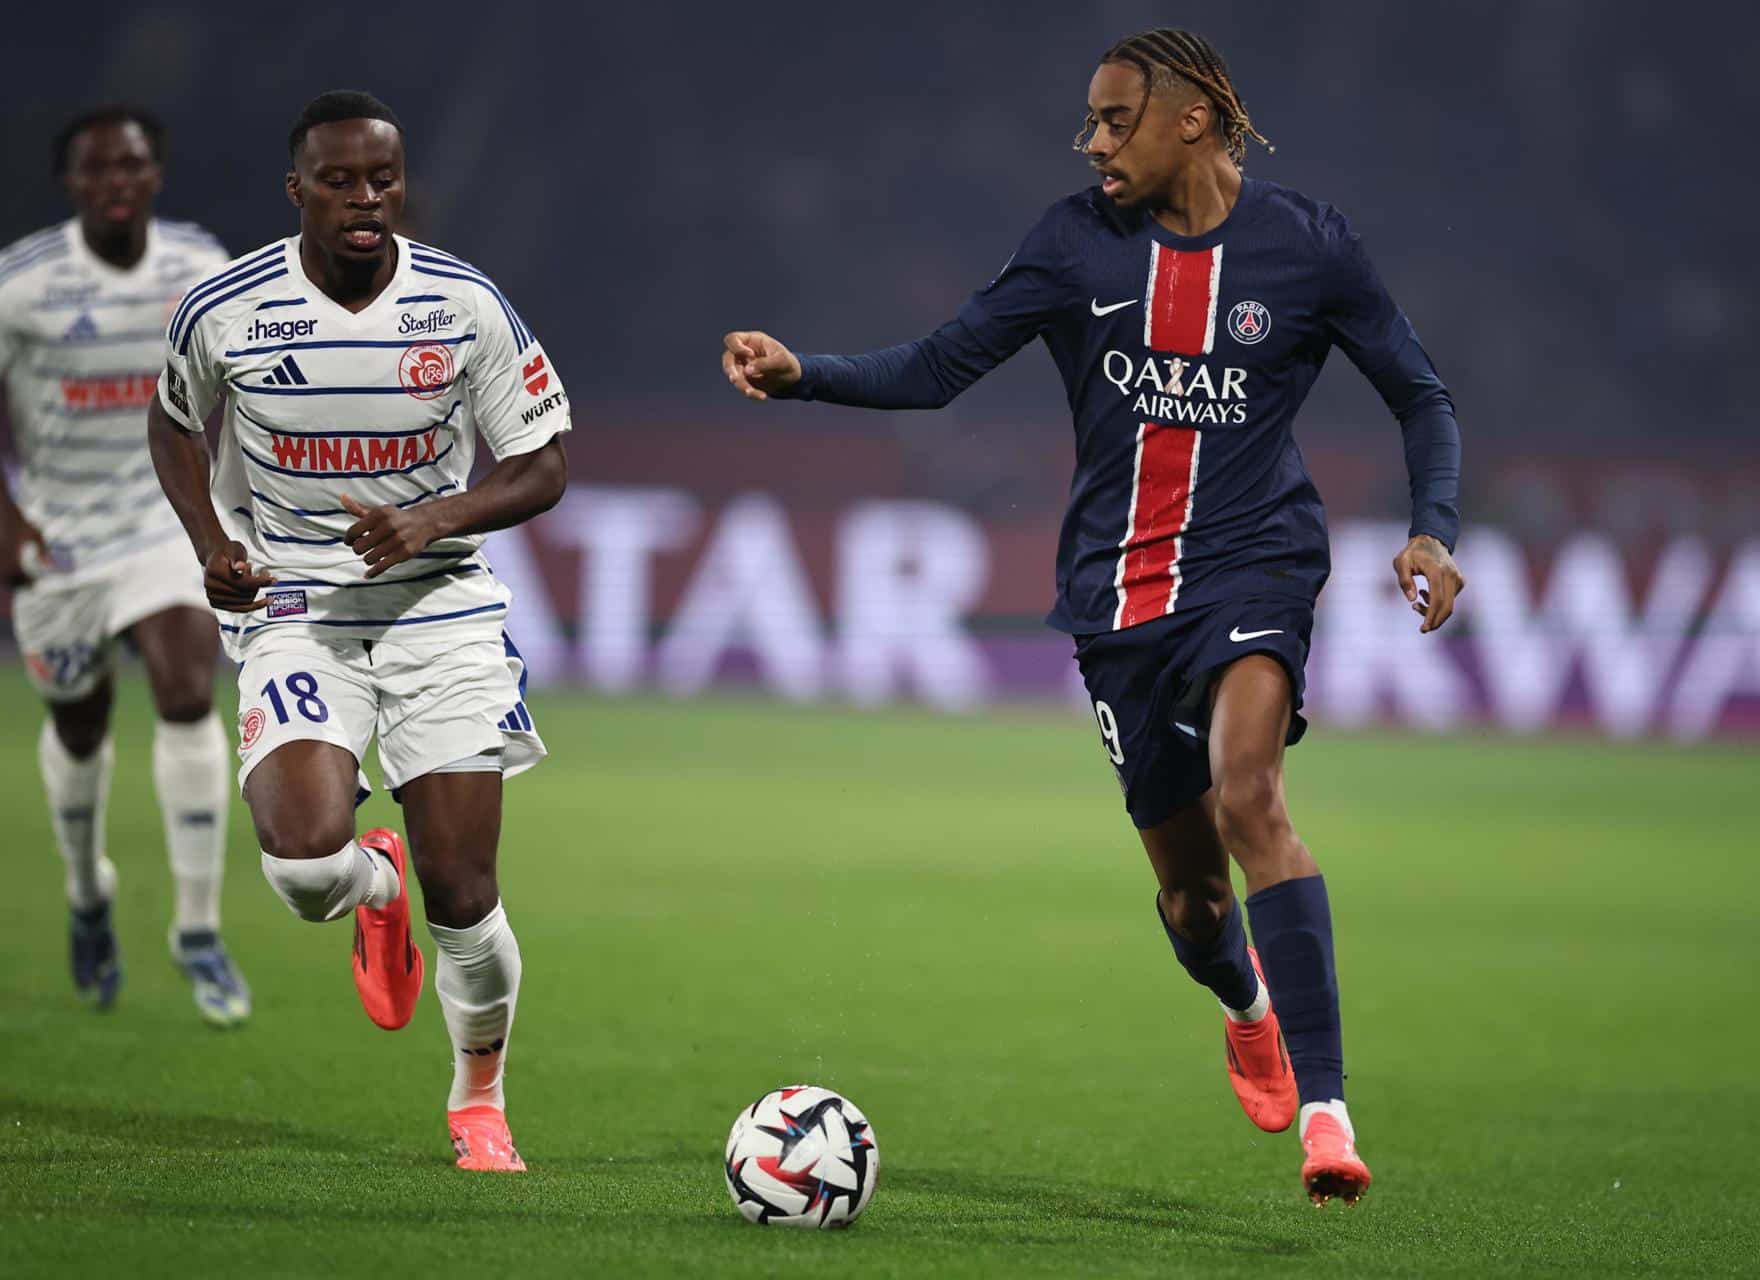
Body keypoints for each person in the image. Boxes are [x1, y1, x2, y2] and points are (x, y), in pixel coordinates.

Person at [721, 28, 1466, 1206]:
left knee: (1252, 797)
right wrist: (802, 369)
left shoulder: (1308, 248)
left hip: (1256, 566)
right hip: (1119, 601)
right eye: (1091, 121)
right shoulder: (1075, 242)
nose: (1096, 142)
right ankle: (1247, 1006)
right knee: (1192, 895)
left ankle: (1329, 1113)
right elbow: (939, 366)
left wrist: (1432, 525)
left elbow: (1421, 394)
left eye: (1117, 119)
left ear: (1193, 120)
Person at [146, 90, 570, 1172]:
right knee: (300, 869)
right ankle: (370, 884)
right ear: (299, 191)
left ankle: (480, 1102)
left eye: (381, 176)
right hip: (298, 614)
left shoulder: (462, 303)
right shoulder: (228, 308)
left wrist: (431, 515)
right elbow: (174, 419)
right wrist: (211, 542)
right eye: (340, 179)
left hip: (441, 611)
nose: (366, 196)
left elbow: (542, 463)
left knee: (466, 892)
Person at [0, 105, 247, 1025]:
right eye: (99, 168)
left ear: (155, 175)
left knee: (187, 688)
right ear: (71, 183)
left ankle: (198, 930)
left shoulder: (198, 267)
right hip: (59, 541)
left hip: (163, 523)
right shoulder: (23, 283)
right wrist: (9, 523)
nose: (118, 181)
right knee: (80, 724)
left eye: (134, 166)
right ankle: (86, 893)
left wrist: (236, 506)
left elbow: (250, 381)